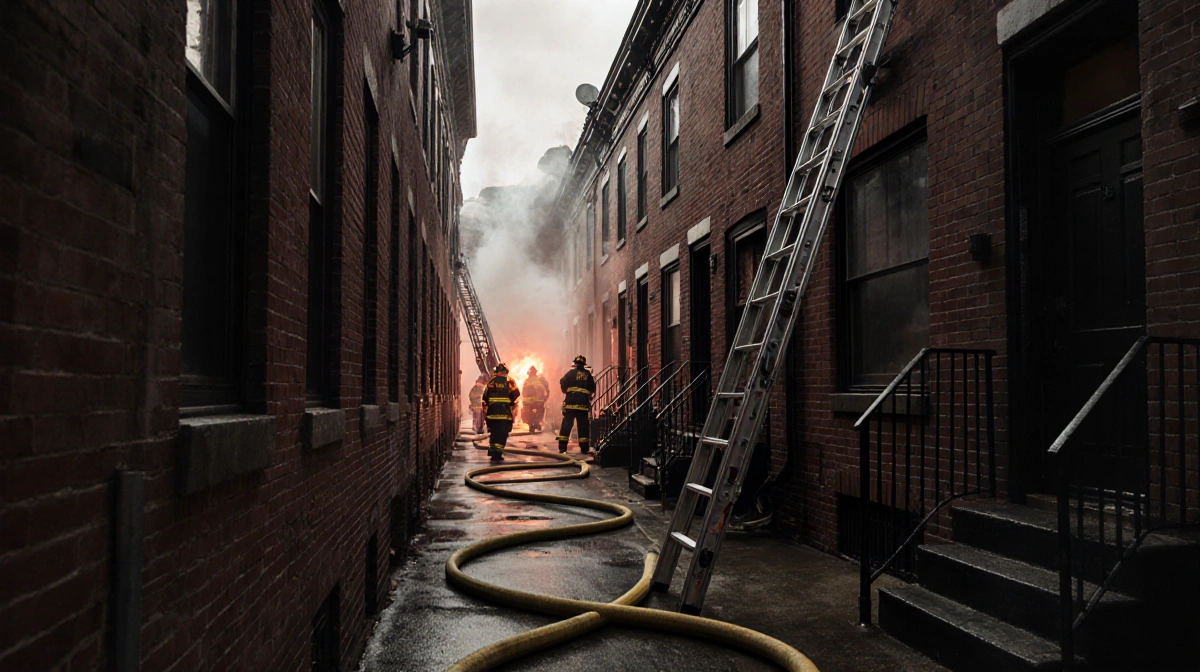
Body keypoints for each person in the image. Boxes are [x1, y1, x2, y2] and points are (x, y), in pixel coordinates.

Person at [557, 355, 596, 454]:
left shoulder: (570, 373)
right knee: (583, 427)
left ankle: (562, 448)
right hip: (583, 406)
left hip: (570, 404)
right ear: (583, 365)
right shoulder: (588, 375)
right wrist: (589, 397)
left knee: (566, 425)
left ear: (575, 364)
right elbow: (592, 388)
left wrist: (566, 391)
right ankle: (584, 448)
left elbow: (562, 382)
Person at [483, 363, 520, 461]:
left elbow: (485, 396)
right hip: (504, 414)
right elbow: (516, 393)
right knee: (502, 434)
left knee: (494, 433)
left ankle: (493, 452)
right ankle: (498, 454)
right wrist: (511, 402)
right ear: (505, 372)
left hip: (492, 414)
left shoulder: (491, 381)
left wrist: (489, 405)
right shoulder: (509, 381)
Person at [522, 366, 549, 432]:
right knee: (539, 411)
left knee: (529, 413)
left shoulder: (527, 380)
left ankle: (532, 424)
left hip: (530, 401)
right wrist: (545, 398)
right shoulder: (540, 380)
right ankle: (535, 423)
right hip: (538, 401)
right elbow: (546, 389)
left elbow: (523, 391)